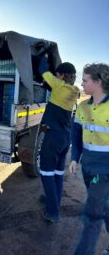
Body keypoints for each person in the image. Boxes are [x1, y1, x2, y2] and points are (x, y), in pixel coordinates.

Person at [69, 63, 109, 255]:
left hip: (105, 170)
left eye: (85, 80)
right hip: (88, 168)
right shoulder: (83, 106)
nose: (81, 84)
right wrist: (75, 158)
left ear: (98, 81)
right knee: (106, 208)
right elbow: (76, 135)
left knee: (92, 214)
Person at [38, 56, 80, 223]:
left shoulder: (58, 85)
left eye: (57, 75)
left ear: (61, 76)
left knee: (46, 173)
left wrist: (45, 57)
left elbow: (43, 70)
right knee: (57, 173)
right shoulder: (75, 90)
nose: (55, 77)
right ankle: (52, 200)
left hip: (53, 137)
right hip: (64, 138)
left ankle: (53, 212)